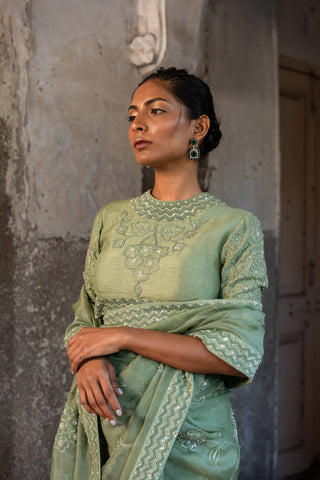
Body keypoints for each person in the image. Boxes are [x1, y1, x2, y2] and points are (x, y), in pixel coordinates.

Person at [51, 67, 268, 480]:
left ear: (198, 128)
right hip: (101, 423)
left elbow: (239, 353)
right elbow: (86, 320)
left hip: (186, 436)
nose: (138, 124)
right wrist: (88, 360)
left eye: (155, 110)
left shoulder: (234, 227)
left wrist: (123, 335)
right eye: (132, 115)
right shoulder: (110, 219)